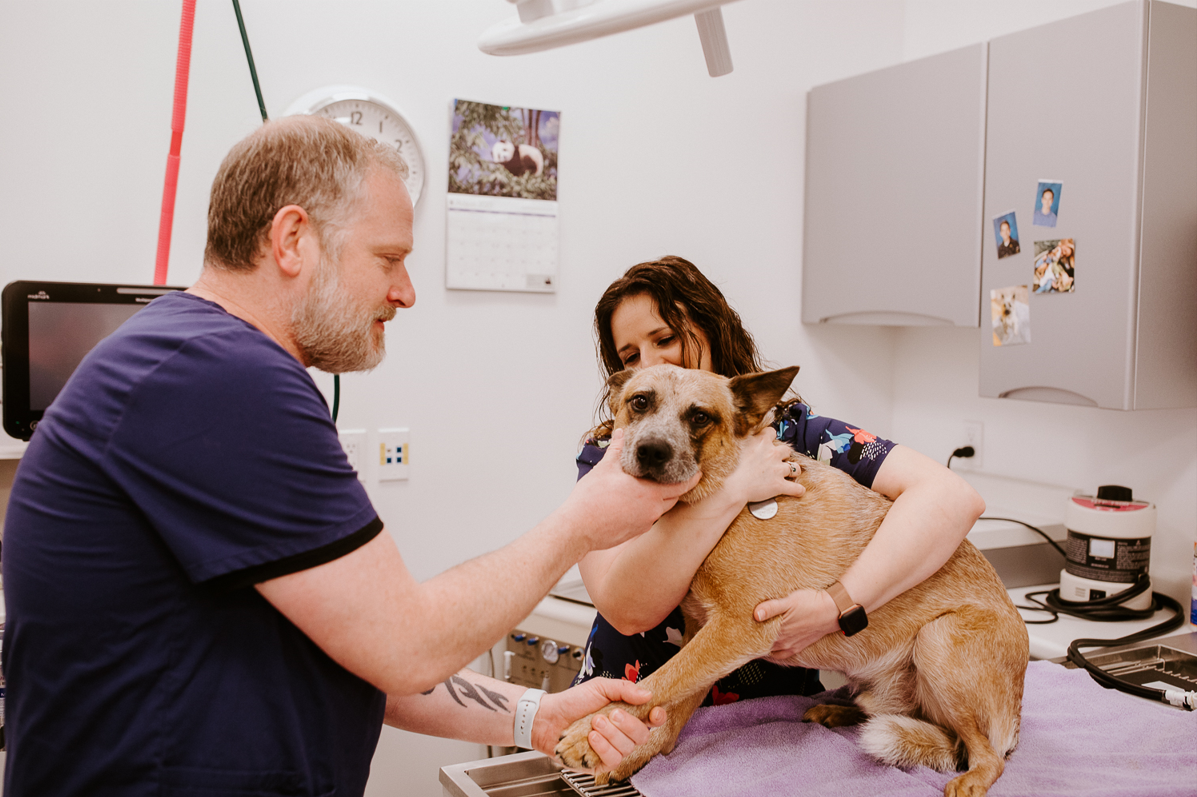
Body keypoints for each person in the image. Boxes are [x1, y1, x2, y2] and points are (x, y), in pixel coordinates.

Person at [0, 117, 697, 796]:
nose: (406, 291)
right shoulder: (220, 376)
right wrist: (579, 521)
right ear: (293, 239)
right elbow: (406, 642)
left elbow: (358, 644)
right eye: (388, 258)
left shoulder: (201, 361)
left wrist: (535, 715)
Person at [571, 256, 985, 705]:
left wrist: (837, 605)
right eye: (631, 356)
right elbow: (626, 609)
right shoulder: (609, 458)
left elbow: (951, 497)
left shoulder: (798, 436)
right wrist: (732, 490)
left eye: (665, 338)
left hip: (765, 726)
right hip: (621, 708)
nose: (653, 361)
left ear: (711, 328)